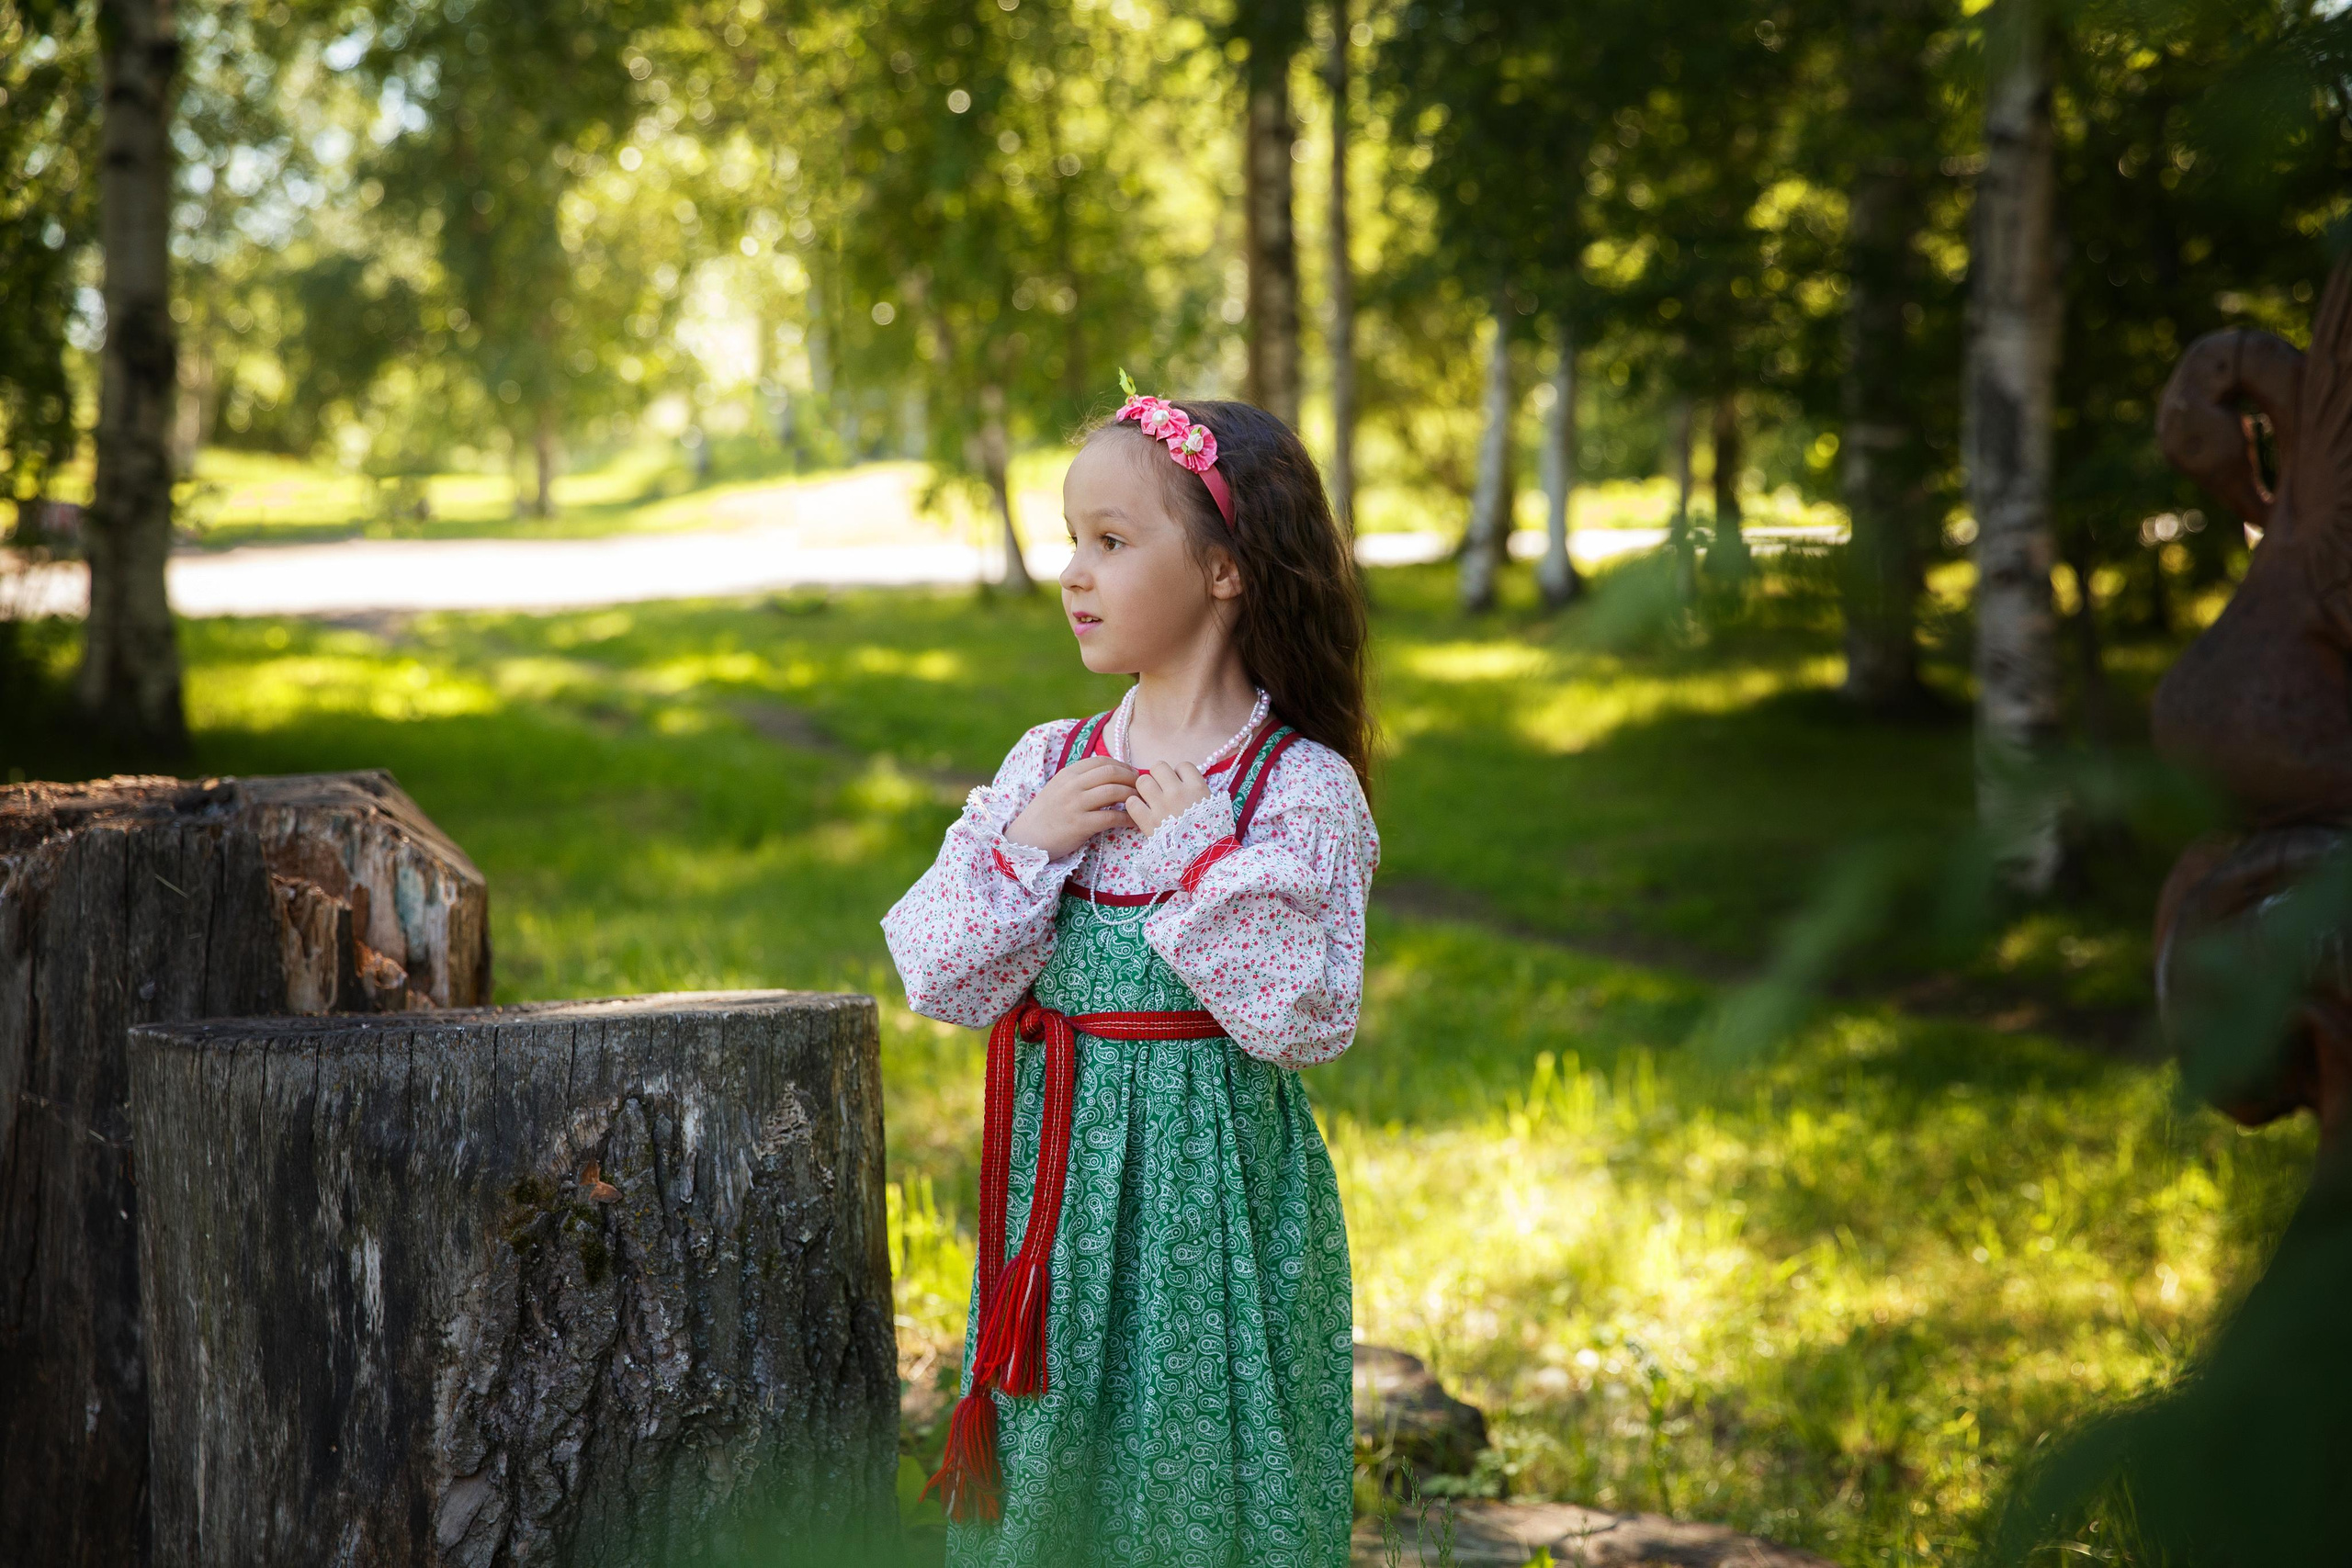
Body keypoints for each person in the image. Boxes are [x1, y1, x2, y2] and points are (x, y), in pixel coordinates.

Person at [881, 381, 1379, 1568]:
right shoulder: (1050, 764)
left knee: (1199, 1452)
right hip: (1058, 1200)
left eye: (1111, 542)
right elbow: (938, 975)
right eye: (1071, 542)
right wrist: (1028, 846)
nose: (1073, 574)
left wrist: (1206, 856)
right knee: (1056, 1454)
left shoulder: (1295, 791)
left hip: (1213, 1197)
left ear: (1226, 568)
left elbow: (1306, 1017)